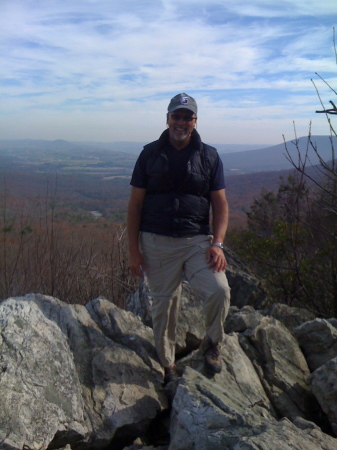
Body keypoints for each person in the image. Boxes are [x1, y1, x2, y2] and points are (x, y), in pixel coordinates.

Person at [127, 93, 230, 384]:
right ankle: (167, 365)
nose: (181, 122)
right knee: (164, 305)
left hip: (197, 241)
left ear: (195, 121)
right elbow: (135, 205)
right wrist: (133, 251)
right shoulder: (149, 153)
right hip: (156, 241)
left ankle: (212, 343)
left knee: (219, 290)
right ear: (167, 118)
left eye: (188, 117)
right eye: (177, 116)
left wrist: (217, 243)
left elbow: (220, 204)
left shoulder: (209, 156)